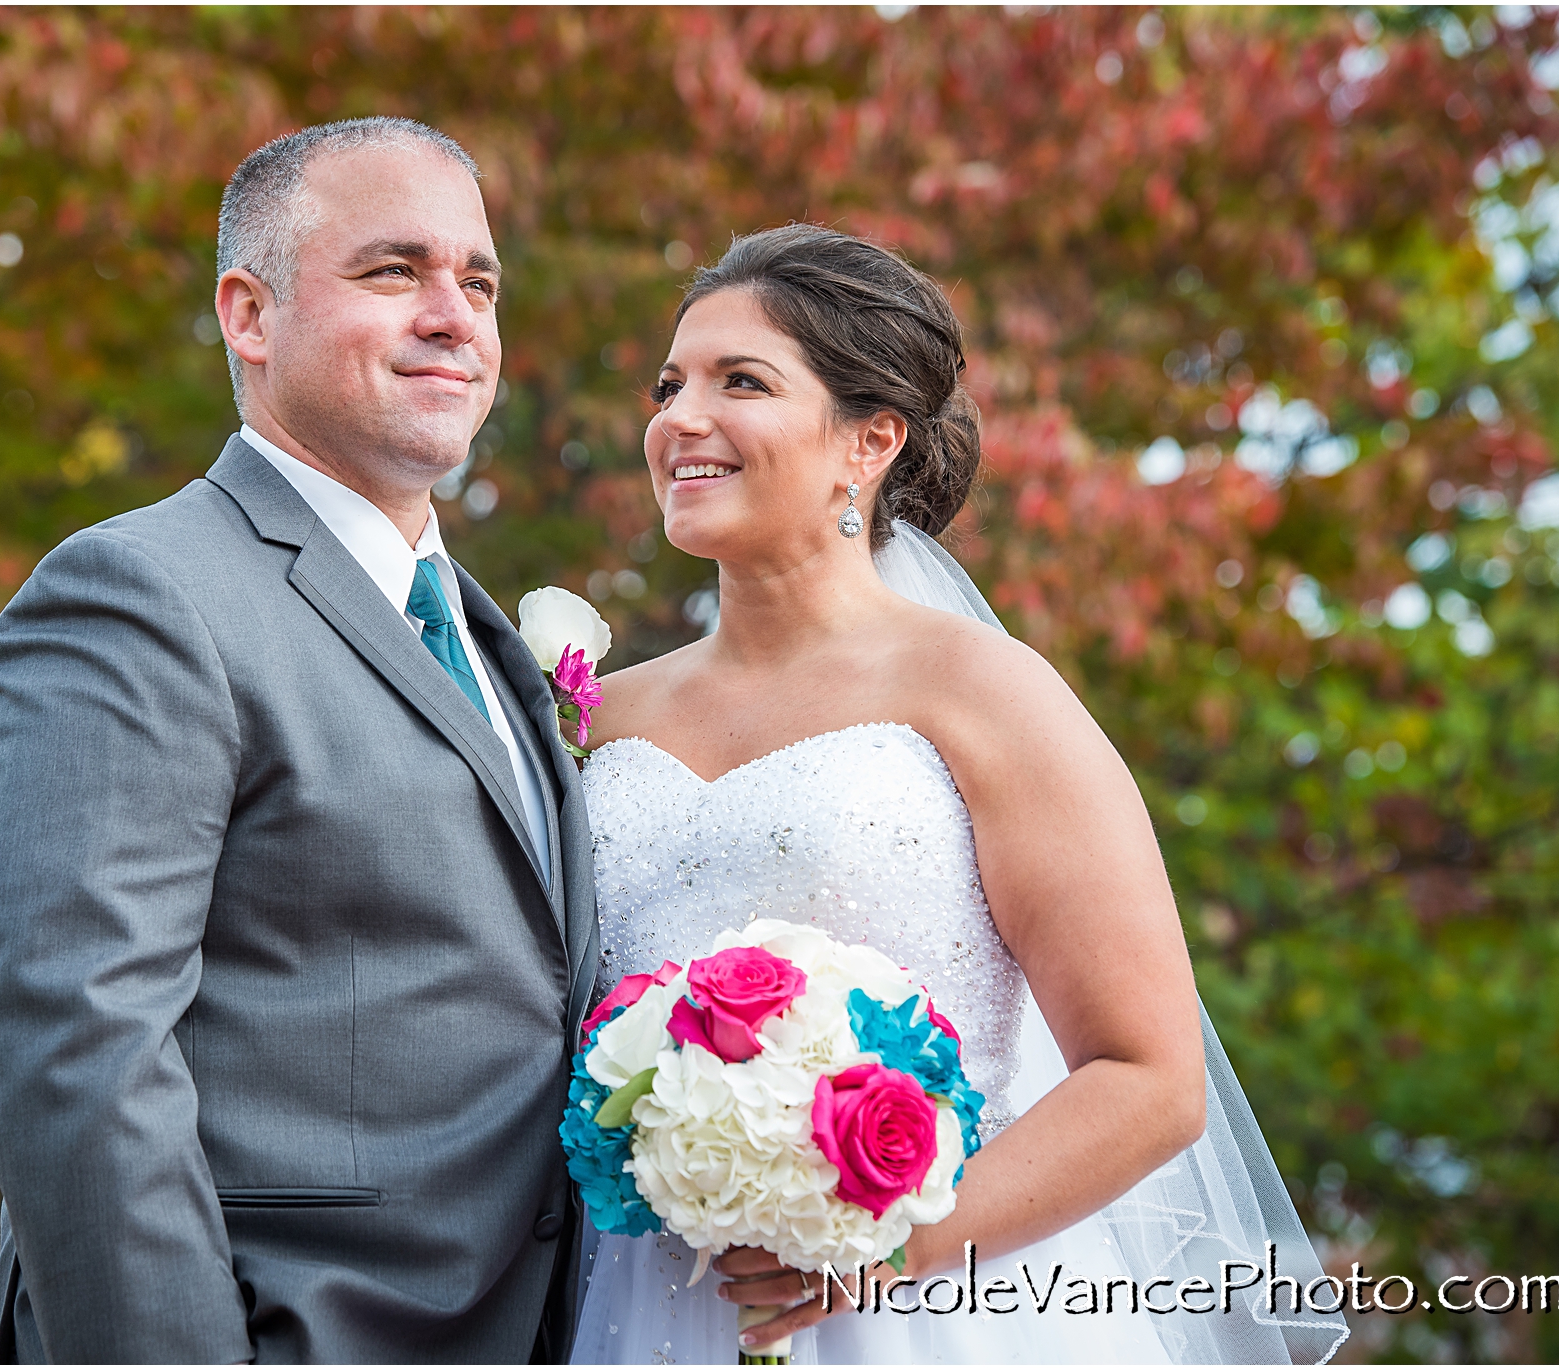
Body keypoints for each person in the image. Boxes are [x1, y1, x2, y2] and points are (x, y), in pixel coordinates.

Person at [568, 225, 1349, 1363]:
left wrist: (872, 1253)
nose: (678, 418)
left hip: (926, 1314)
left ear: (868, 440)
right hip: (634, 1304)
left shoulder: (984, 690)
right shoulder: (598, 716)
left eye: (740, 381)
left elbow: (1149, 1076)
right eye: (669, 384)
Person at [0, 117, 597, 1363]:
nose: (453, 315)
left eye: (477, 281)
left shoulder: (488, 640)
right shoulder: (136, 594)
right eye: (390, 271)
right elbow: (76, 1054)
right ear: (248, 315)